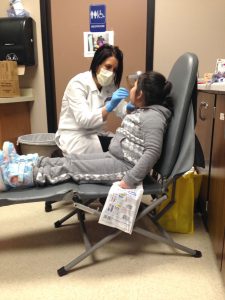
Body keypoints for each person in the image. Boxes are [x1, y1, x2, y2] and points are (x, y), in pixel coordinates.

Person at [0, 71, 173, 192]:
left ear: (141, 94)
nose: (131, 89)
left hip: (125, 167)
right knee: (71, 160)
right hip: (114, 156)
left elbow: (153, 151)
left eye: (134, 86)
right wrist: (129, 109)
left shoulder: (153, 117)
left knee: (71, 167)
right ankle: (26, 163)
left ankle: (16, 177)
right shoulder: (144, 111)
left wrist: (130, 180)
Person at [55, 43, 129, 156]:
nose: (111, 73)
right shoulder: (78, 83)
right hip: (76, 137)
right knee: (119, 152)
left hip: (96, 135)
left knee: (125, 146)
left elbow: (122, 109)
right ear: (96, 64)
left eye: (115, 70)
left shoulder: (110, 85)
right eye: (108, 67)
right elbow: (84, 120)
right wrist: (109, 107)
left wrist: (130, 107)